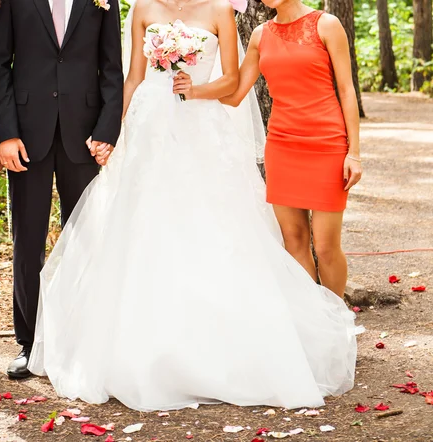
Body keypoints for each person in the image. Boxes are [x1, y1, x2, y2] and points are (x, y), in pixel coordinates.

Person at [28, 0, 358, 412]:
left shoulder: (221, 10)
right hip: (151, 129)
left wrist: (193, 89)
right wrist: (110, 131)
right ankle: (147, 349)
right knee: (148, 228)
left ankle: (270, 336)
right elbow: (133, 77)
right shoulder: (143, 9)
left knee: (215, 228)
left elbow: (233, 83)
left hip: (202, 127)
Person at [0, 0, 124, 379]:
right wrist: (7, 133)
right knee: (27, 240)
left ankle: (80, 339)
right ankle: (30, 344)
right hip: (27, 133)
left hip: (84, 135)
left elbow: (112, 68)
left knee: (83, 240)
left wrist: (107, 130)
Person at [222, 0, 363, 298]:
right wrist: (189, 85)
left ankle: (338, 317)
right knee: (295, 241)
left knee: (325, 245)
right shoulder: (260, 34)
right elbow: (234, 95)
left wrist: (354, 153)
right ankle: (317, 321)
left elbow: (347, 90)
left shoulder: (327, 25)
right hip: (282, 146)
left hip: (327, 144)